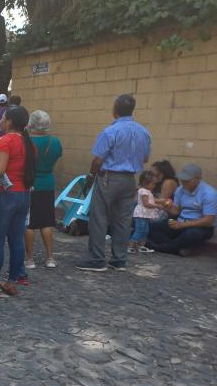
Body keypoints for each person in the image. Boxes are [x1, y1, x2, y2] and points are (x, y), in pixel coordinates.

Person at [75, 94, 151, 272]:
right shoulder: (144, 132)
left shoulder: (110, 131)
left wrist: (91, 175)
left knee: (99, 217)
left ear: (115, 110)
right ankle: (119, 259)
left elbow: (98, 160)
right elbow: (145, 157)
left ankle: (97, 259)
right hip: (129, 178)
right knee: (123, 220)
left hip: (109, 176)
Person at [0, 106, 36, 299]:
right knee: (16, 240)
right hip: (23, 195)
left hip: (4, 195)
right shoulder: (29, 144)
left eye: (2, 119)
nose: (0, 122)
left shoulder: (6, 141)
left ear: (9, 121)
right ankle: (11, 282)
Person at [149, 164, 215, 256]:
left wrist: (183, 225)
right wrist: (166, 207)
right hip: (180, 222)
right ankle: (178, 247)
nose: (184, 182)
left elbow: (208, 221)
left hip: (199, 227)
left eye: (187, 180)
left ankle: (162, 247)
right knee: (151, 227)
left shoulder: (209, 193)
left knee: (192, 234)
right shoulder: (180, 189)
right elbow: (176, 211)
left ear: (198, 179)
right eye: (183, 179)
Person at [24, 110, 63, 268]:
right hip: (48, 183)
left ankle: (30, 259)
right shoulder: (55, 142)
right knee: (46, 222)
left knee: (29, 223)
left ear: (31, 124)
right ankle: (50, 258)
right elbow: (58, 155)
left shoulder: (27, 141)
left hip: (30, 184)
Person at [129, 171, 162, 254]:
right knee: (139, 230)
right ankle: (131, 246)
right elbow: (146, 203)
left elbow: (151, 199)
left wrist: (161, 200)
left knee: (145, 230)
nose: (154, 186)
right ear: (145, 183)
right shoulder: (143, 191)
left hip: (145, 214)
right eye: (153, 184)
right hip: (141, 214)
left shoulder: (148, 191)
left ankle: (142, 246)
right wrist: (157, 206)